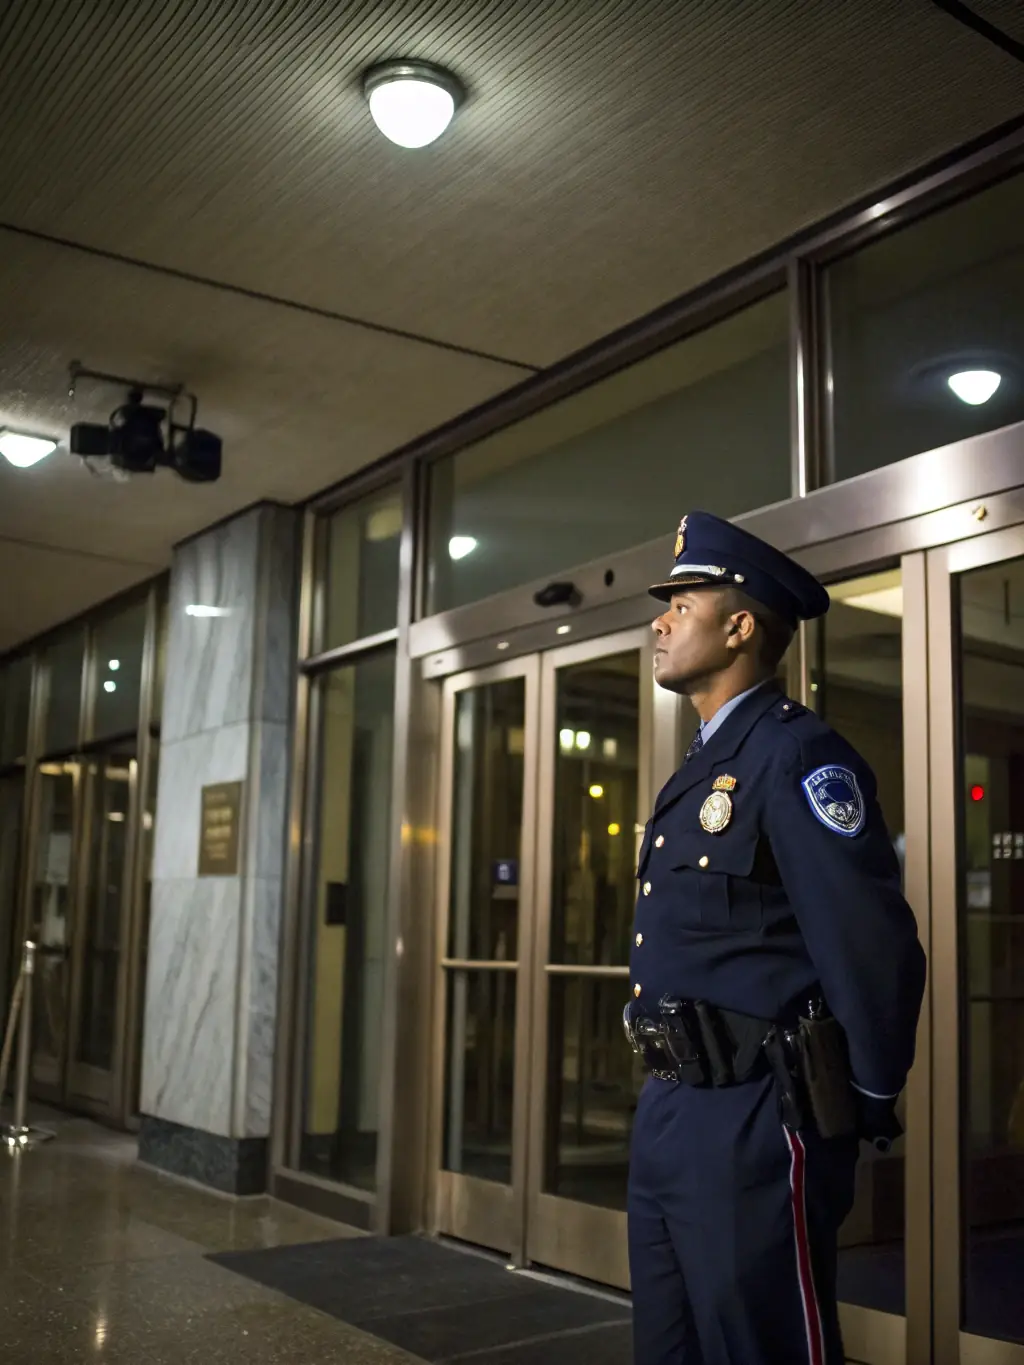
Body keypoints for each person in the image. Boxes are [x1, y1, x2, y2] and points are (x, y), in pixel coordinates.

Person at [625, 510, 926, 1365]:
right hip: (673, 1106)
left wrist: (859, 1099)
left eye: (683, 601)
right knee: (671, 1346)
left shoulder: (796, 756)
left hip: (760, 1112)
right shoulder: (702, 768)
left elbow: (871, 941)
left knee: (761, 1346)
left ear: (741, 625)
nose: (662, 617)